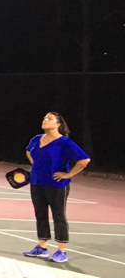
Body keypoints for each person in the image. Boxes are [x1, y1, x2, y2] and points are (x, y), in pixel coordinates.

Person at [22, 112, 90, 263]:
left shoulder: (64, 143)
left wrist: (68, 174)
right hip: (37, 183)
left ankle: (61, 251)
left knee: (58, 216)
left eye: (49, 119)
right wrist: (36, 166)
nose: (45, 120)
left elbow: (84, 160)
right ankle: (42, 247)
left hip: (56, 185)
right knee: (40, 214)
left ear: (58, 124)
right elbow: (29, 151)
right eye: (44, 118)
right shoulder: (36, 139)